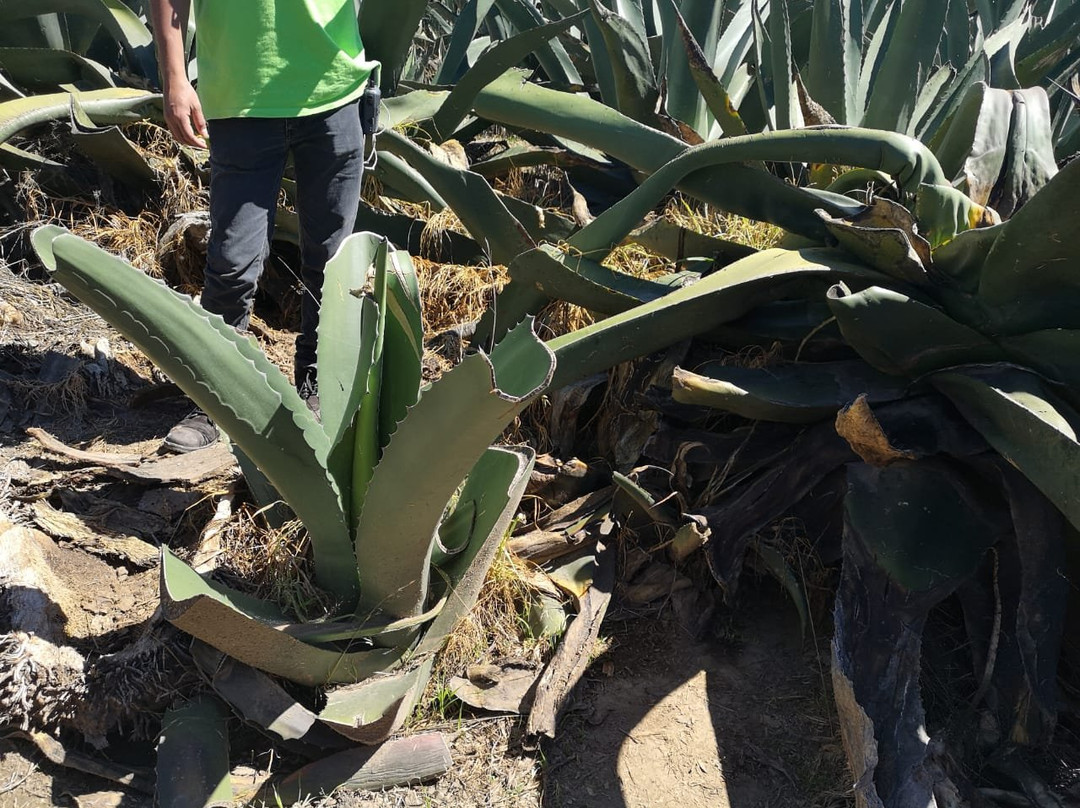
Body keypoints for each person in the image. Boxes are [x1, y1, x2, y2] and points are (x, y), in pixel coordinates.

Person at [149, 0, 377, 452]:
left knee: (331, 265)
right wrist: (175, 78)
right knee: (232, 264)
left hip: (334, 89)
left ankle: (318, 388)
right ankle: (217, 398)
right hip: (242, 99)